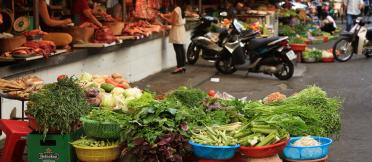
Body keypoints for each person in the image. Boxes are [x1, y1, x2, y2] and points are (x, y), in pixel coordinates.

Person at [160, 0, 187, 74]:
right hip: (181, 29)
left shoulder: (176, 9)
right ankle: (182, 66)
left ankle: (179, 67)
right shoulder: (182, 8)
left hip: (176, 30)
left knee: (177, 49)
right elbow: (171, 15)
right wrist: (163, 15)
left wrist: (163, 18)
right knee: (181, 48)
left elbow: (173, 22)